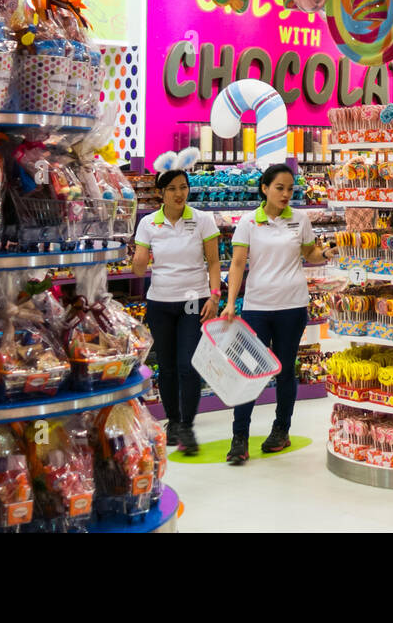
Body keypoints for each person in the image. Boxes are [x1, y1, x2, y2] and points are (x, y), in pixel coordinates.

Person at [222, 164, 331, 464]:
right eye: (279, 188)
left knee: (285, 371)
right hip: (257, 307)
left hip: (293, 306)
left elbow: (309, 254)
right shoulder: (248, 222)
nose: (285, 194)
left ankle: (281, 430)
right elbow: (237, 264)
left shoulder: (300, 220)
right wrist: (231, 302)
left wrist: (326, 253)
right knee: (249, 373)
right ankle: (239, 438)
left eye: (290, 188)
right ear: (264, 188)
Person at [131, 169, 222, 457]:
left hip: (193, 300)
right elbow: (138, 267)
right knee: (168, 367)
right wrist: (137, 257)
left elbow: (214, 261)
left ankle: (186, 425)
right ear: (161, 193)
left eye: (183, 187)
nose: (179, 193)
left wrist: (215, 295)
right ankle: (173, 421)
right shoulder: (147, 223)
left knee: (188, 364)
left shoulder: (202, 220)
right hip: (159, 302)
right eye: (171, 188)